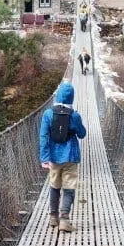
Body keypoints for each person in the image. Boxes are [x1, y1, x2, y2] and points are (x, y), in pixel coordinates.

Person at [39, 81, 87, 232]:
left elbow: (43, 136)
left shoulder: (48, 114)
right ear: (72, 97)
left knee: (54, 185)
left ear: (58, 95)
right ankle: (65, 220)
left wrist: (44, 158)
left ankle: (53, 217)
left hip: (53, 157)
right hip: (71, 156)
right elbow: (82, 134)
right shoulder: (74, 115)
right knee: (69, 187)